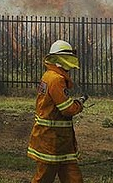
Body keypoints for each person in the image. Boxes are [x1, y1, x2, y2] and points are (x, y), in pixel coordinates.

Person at [27, 39, 89, 183]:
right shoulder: (56, 79)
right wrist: (79, 103)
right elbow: (67, 109)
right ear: (61, 61)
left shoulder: (49, 76)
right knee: (43, 178)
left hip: (61, 142)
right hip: (51, 140)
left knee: (73, 177)